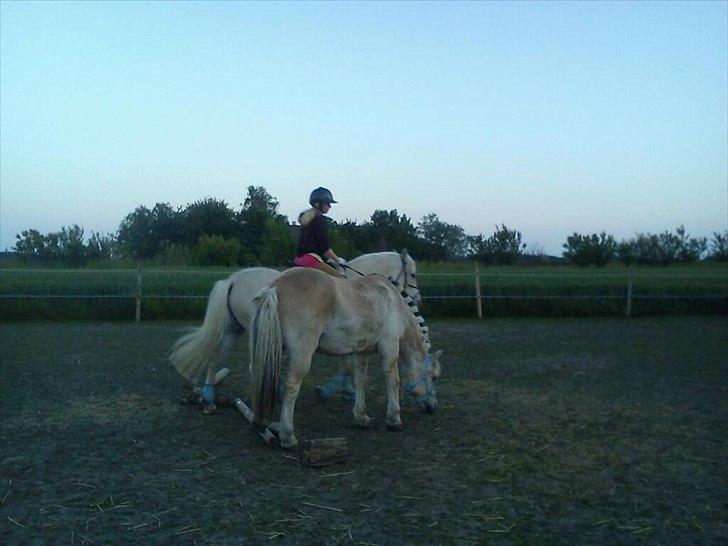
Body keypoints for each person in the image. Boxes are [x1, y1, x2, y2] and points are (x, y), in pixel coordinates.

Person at [294, 187, 346, 277]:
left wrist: (327, 259)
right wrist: (337, 260)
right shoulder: (319, 219)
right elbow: (325, 248)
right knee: (340, 280)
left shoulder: (307, 218)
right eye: (327, 203)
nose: (330, 206)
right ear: (318, 204)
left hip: (299, 259)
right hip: (312, 259)